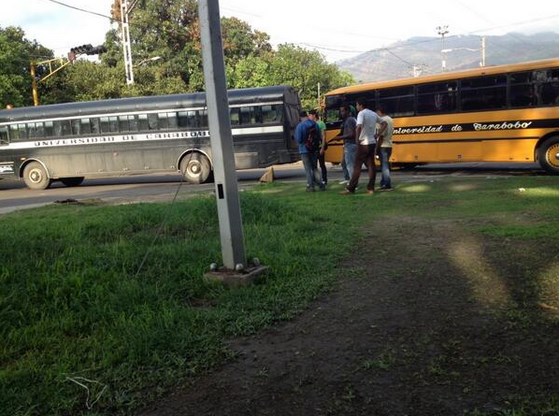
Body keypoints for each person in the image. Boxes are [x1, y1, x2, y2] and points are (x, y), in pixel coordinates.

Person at [342, 98, 387, 194]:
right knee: (371, 165)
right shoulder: (373, 114)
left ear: (360, 105)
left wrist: (357, 140)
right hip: (372, 142)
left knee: (357, 166)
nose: (356, 107)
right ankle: (370, 188)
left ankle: (351, 188)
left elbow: (358, 127)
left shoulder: (361, 114)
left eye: (357, 105)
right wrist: (377, 135)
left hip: (363, 143)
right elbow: (384, 123)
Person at [294, 110, 325, 192]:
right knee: (315, 168)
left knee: (308, 169)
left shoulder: (300, 126)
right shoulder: (314, 124)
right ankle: (321, 184)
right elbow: (319, 136)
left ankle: (311, 186)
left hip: (304, 150)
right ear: (307, 116)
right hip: (314, 149)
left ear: (300, 117)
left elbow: (299, 139)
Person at [331, 105, 357, 186]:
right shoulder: (347, 120)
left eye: (343, 111)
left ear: (348, 111)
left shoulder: (349, 120)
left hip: (350, 144)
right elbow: (345, 133)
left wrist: (340, 137)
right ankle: (348, 179)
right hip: (348, 144)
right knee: (344, 163)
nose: (341, 113)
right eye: (341, 111)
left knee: (350, 165)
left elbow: (352, 134)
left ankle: (353, 184)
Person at [375, 106, 394, 191]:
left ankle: (387, 184)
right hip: (389, 145)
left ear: (379, 112)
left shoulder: (382, 121)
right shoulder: (390, 119)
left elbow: (381, 137)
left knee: (384, 166)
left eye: (377, 113)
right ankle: (383, 183)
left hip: (383, 145)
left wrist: (376, 148)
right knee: (384, 165)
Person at [308, 109, 328, 185]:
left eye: (310, 115)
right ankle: (315, 180)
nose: (309, 117)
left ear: (313, 115)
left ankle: (324, 179)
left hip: (319, 146)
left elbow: (323, 136)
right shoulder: (310, 124)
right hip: (313, 147)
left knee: (322, 164)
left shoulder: (321, 123)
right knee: (314, 164)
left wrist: (322, 147)